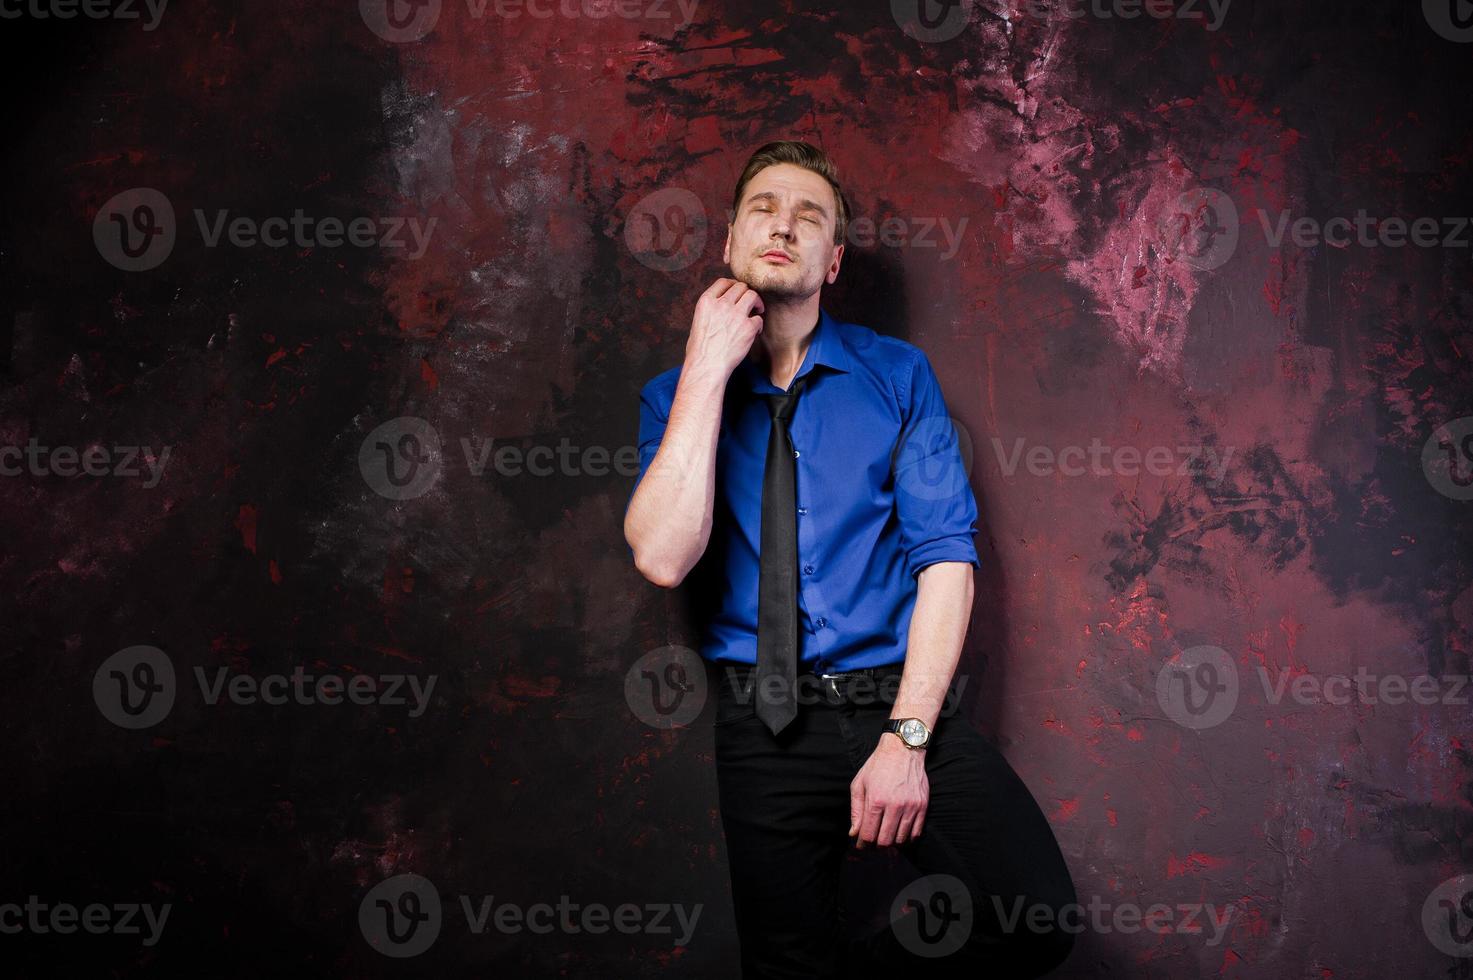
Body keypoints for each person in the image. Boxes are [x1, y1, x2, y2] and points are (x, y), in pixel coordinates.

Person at [624, 140, 1076, 978]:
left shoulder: (897, 376)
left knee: (1033, 916)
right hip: (762, 720)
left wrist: (906, 739)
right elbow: (661, 555)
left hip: (893, 702)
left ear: (832, 262)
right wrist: (705, 370)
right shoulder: (673, 396)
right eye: (763, 208)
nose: (782, 226)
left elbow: (945, 558)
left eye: (808, 217)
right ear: (728, 241)